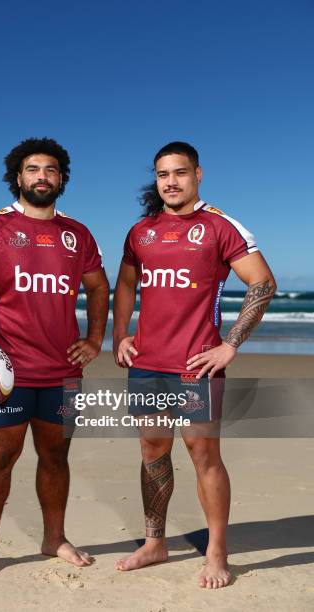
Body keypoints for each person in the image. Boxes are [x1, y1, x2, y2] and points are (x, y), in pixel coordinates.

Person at [113, 141, 276, 588]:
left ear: (197, 174)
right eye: (163, 174)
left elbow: (262, 282)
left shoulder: (219, 226)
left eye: (180, 173)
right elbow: (126, 282)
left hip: (196, 365)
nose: (170, 182)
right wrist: (119, 333)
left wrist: (230, 345)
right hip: (146, 363)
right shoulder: (140, 231)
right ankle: (154, 542)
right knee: (152, 450)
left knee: (203, 454)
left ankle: (217, 553)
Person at [0, 137, 109, 581]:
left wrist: (96, 338)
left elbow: (99, 288)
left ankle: (54, 538)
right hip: (7, 369)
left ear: (62, 179)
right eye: (33, 169)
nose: (43, 176)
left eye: (52, 169)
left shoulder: (78, 234)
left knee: (56, 456)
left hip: (63, 371)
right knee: (0, 459)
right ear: (17, 177)